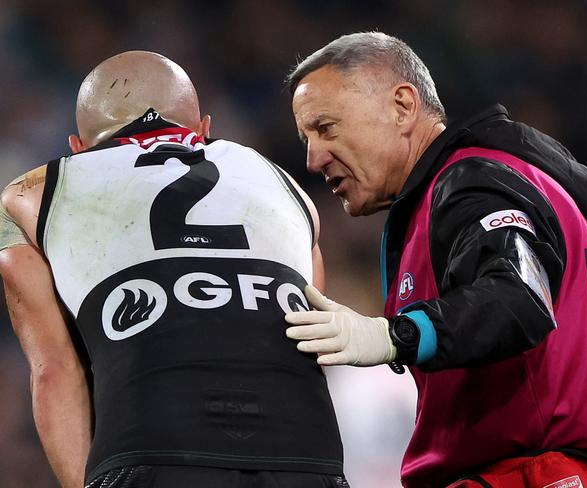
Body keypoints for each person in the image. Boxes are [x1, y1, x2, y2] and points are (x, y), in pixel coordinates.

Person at [284, 32, 587, 488]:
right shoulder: (499, 179)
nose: (313, 158)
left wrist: (393, 335)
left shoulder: (469, 181)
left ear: (402, 106)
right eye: (306, 138)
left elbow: (520, 298)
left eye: (326, 127)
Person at [0, 51, 349, 488]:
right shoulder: (288, 188)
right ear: (204, 130)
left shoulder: (29, 195)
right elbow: (314, 344)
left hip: (152, 449)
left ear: (79, 149)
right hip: (304, 453)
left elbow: (54, 372)